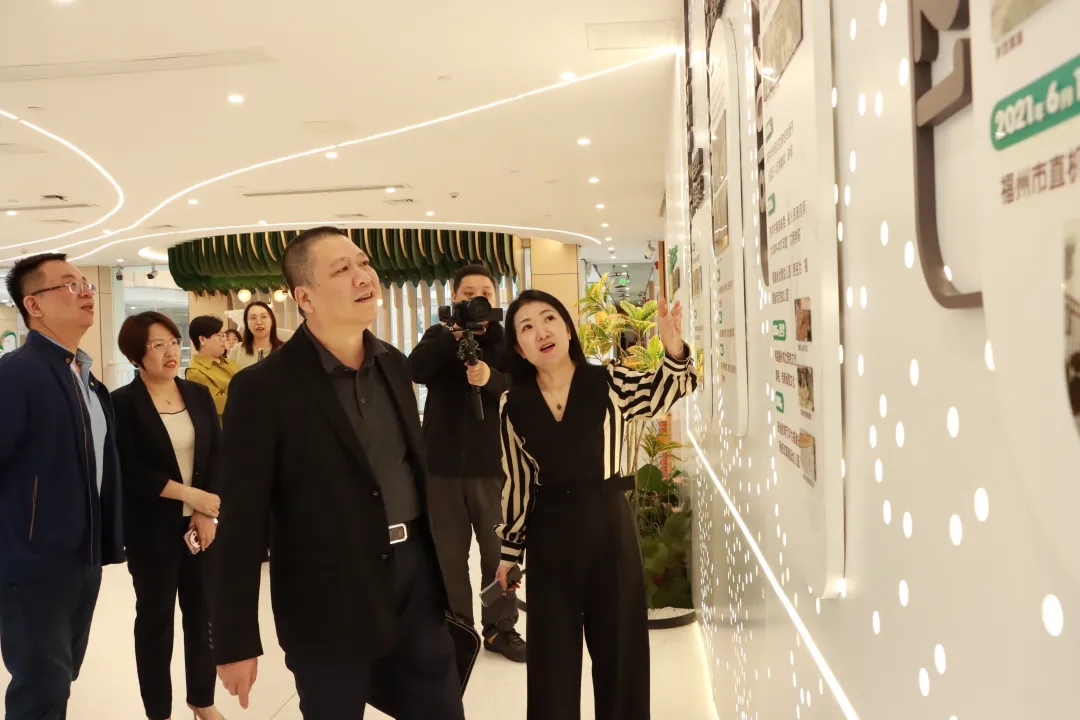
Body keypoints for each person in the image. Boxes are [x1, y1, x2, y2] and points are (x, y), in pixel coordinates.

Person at [211, 226, 465, 720]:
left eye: (363, 262)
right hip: (326, 595)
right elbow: (242, 519)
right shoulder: (263, 388)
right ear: (305, 297)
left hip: (415, 580)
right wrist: (234, 639)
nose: (363, 275)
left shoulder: (394, 364)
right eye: (342, 269)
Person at [494, 290, 697, 720]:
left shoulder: (610, 382)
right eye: (526, 327)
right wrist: (510, 553)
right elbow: (519, 483)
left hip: (609, 526)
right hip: (550, 533)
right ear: (519, 348)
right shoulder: (513, 404)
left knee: (620, 652)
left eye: (549, 318)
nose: (541, 331)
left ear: (568, 329)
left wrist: (673, 346)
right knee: (551, 661)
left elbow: (668, 389)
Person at [0, 253, 125, 720]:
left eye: (86, 283)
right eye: (70, 285)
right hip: (32, 563)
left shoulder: (86, 381)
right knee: (40, 687)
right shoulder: (17, 374)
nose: (86, 291)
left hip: (82, 557)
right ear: (33, 304)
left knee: (62, 676)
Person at [111, 312, 226, 720]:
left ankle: (203, 700)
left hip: (200, 526)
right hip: (151, 530)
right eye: (157, 345)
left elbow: (217, 454)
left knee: (203, 615)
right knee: (156, 622)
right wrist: (189, 495)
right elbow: (130, 468)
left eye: (173, 342)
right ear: (136, 356)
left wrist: (205, 512)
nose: (169, 352)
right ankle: (158, 711)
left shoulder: (197, 394)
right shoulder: (122, 403)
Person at [409, 264, 525, 662]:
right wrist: (453, 336)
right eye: (468, 293)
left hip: (493, 465)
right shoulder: (438, 335)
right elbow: (415, 369)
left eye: (486, 293)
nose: (477, 299)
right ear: (455, 297)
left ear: (495, 298)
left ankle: (500, 627)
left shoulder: (507, 341)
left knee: (499, 553)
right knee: (449, 556)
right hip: (441, 467)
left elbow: (523, 389)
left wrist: (491, 377)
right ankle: (457, 629)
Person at [184, 315, 240, 422]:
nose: (223, 340)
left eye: (223, 335)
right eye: (219, 335)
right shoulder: (195, 372)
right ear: (202, 339)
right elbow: (218, 404)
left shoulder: (230, 362)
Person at [228, 301, 284, 369]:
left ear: (272, 321)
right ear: (247, 324)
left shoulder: (284, 350)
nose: (259, 322)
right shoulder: (237, 350)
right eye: (253, 318)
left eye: (264, 317)